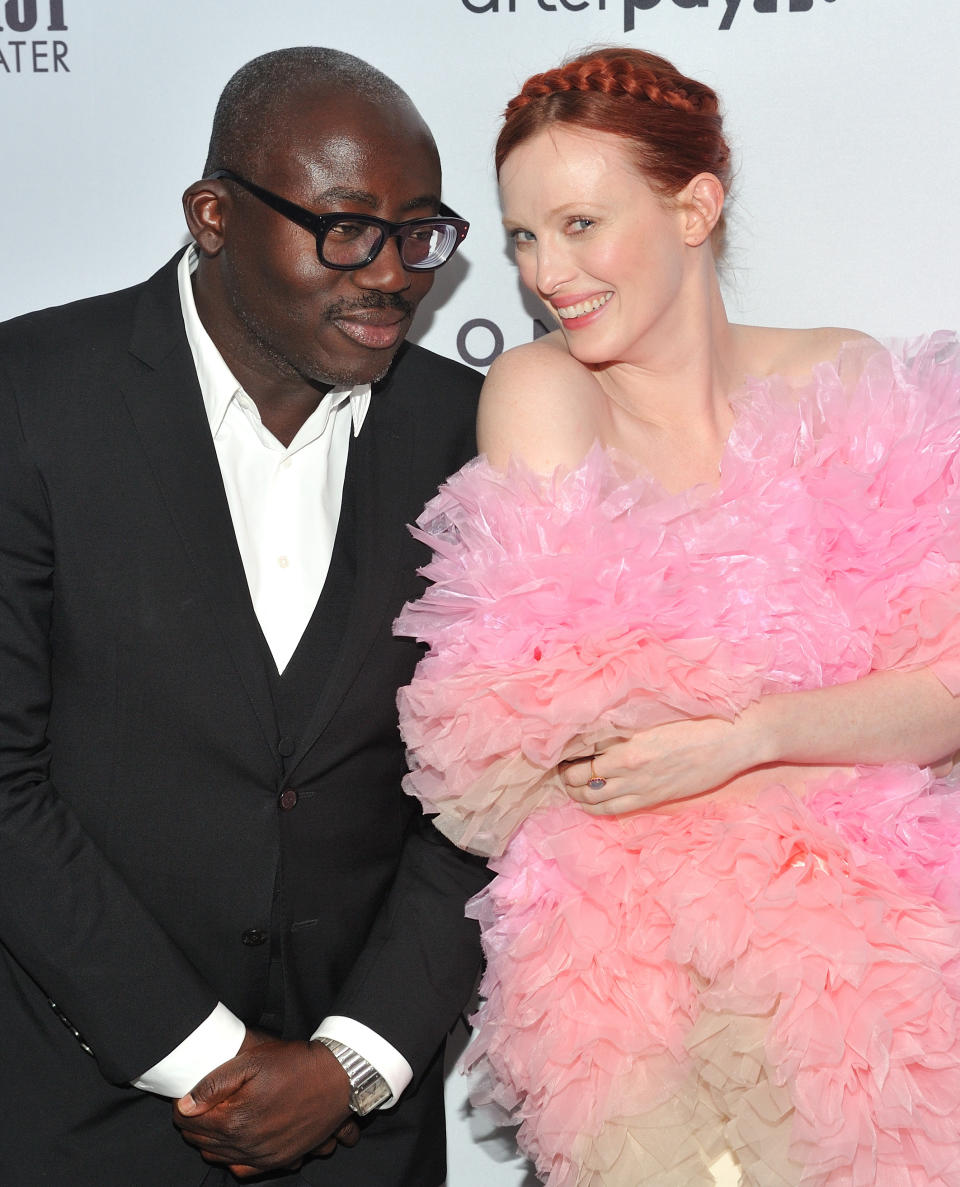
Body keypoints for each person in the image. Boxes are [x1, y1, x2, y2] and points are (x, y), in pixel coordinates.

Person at [396, 46, 960, 1186]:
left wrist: (743, 736)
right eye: (521, 236)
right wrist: (831, 720)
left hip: (873, 991)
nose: (546, 271)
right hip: (637, 1002)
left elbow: (943, 695)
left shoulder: (842, 381)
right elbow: (555, 743)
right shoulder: (543, 392)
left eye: (579, 223)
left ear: (695, 205)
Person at [0, 46, 488, 1186]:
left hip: (362, 1125)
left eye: (419, 232)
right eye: (348, 228)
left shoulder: (471, 432)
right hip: (85, 1106)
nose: (394, 274)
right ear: (213, 216)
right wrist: (209, 1057)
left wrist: (352, 1061)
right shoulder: (30, 396)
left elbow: (493, 788)